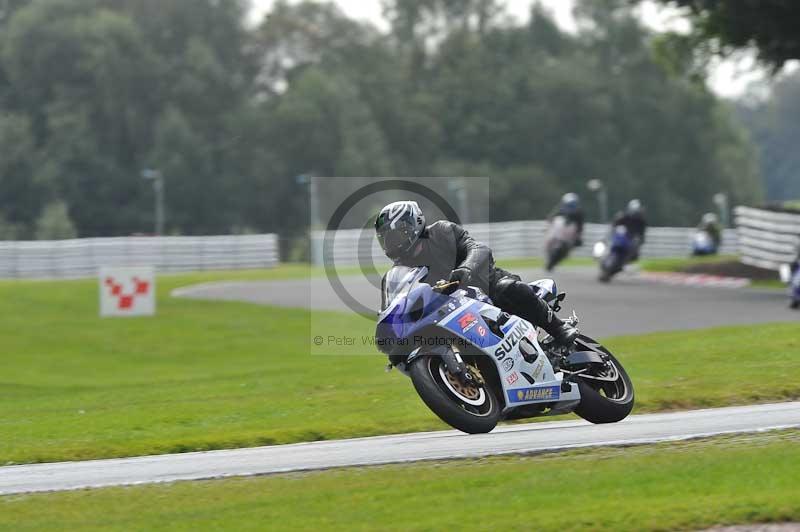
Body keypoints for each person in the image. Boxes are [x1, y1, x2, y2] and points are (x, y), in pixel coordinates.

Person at [375, 200, 578, 347]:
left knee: (507, 288)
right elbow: (390, 309)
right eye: (387, 240)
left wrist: (465, 270)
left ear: (413, 225)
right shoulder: (394, 276)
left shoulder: (442, 232)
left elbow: (478, 249)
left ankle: (558, 328)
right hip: (446, 314)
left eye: (396, 236)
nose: (393, 244)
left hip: (484, 287)